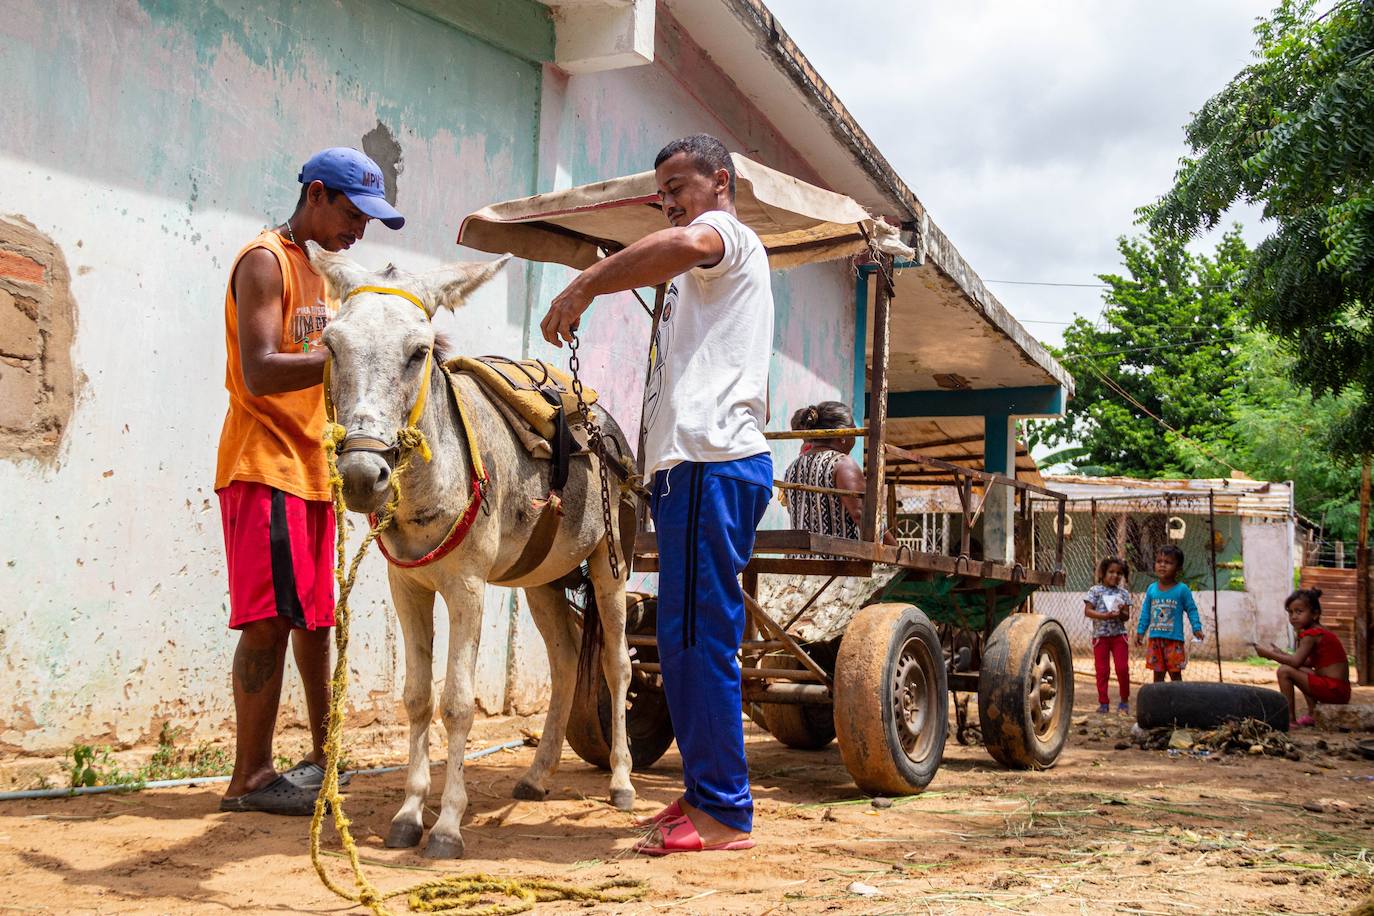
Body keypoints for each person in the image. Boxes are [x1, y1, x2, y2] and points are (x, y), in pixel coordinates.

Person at [540, 134, 771, 854]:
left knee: (700, 640)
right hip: (685, 469)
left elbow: (682, 242)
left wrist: (583, 285)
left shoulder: (724, 236)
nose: (668, 200)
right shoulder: (695, 279)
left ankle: (726, 813)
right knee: (678, 641)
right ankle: (704, 791)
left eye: (679, 184)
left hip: (713, 461)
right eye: (660, 191)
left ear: (721, 184)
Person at [215, 148, 405, 814]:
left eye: (369, 220)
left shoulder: (327, 274)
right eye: (353, 214)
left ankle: (324, 757)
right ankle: (249, 778)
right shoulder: (265, 260)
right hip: (263, 464)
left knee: (315, 621)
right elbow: (264, 369)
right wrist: (342, 355)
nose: (360, 230)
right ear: (316, 195)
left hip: (312, 467)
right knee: (267, 621)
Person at [782, 401, 895, 546]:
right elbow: (861, 515)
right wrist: (897, 552)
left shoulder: (793, 467)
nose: (855, 436)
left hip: (798, 562)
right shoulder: (842, 464)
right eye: (853, 430)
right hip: (837, 561)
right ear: (843, 434)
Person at [1252, 588, 1351, 726]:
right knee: (1303, 671)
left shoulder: (1311, 634)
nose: (1294, 616)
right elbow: (1307, 662)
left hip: (1334, 690)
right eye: (1291, 612)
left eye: (1299, 612)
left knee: (1284, 671)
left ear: (1315, 614)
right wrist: (1282, 654)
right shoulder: (1319, 631)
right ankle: (1313, 713)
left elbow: (1296, 662)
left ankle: (1290, 720)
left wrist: (1269, 654)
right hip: (1340, 690)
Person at [1133, 545, 1204, 683]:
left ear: (1178, 568)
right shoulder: (1151, 589)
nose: (1162, 565)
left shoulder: (1182, 590)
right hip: (1155, 640)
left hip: (1174, 641)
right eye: (1159, 561)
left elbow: (1192, 609)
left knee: (1175, 676)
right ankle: (1159, 703)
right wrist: (1140, 631)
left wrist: (1197, 628)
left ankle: (1178, 703)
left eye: (1168, 562)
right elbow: (1146, 612)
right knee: (1157, 676)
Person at [1084, 555, 1131, 714]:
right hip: (1101, 637)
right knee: (1102, 671)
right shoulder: (1095, 591)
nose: (1115, 576)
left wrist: (1122, 611)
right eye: (1111, 571)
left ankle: (1124, 701)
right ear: (1103, 573)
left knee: (1122, 669)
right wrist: (1104, 616)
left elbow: (1126, 617)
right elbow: (1088, 611)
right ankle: (1103, 702)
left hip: (1119, 636)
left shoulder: (1123, 593)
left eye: (1119, 573)